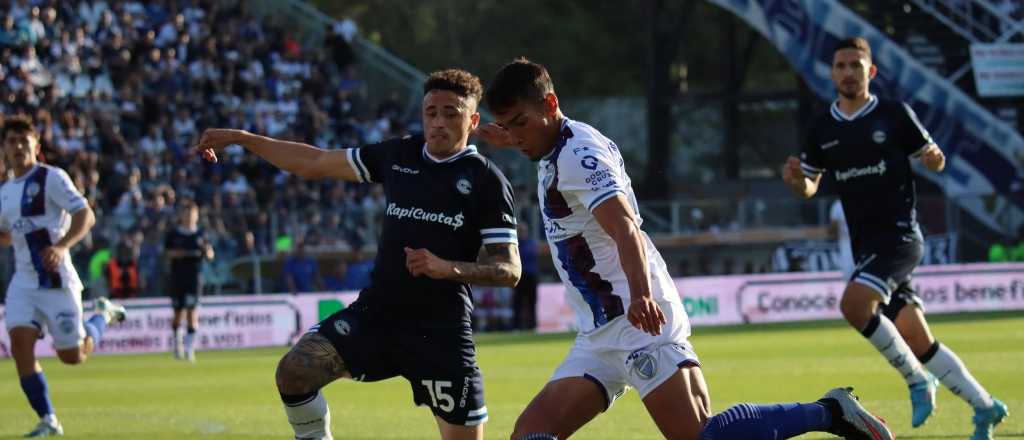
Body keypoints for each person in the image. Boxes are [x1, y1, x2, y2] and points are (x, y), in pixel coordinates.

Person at [477, 58, 892, 440]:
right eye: (507, 127)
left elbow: (624, 226)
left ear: (550, 103)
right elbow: (538, 142)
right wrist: (510, 135)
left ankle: (829, 412)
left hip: (638, 319)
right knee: (530, 433)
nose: (515, 135)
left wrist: (641, 293)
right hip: (600, 333)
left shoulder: (577, 156)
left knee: (699, 436)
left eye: (519, 124)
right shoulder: (557, 143)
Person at [196, 69, 521, 440]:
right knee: (296, 369)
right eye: (431, 112)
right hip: (378, 315)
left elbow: (509, 269)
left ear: (473, 120)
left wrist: (446, 268)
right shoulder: (399, 154)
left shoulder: (487, 181)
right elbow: (314, 163)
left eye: (451, 113)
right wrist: (242, 138)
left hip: (441, 331)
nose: (439, 122)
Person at [782, 37, 1008, 439]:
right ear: (833, 73)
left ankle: (919, 382)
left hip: (901, 238)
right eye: (841, 65)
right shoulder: (822, 127)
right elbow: (810, 188)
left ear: (870, 72)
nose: (848, 72)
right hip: (866, 247)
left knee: (853, 305)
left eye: (856, 65)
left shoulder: (892, 114)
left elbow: (931, 156)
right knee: (917, 337)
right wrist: (798, 181)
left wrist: (935, 159)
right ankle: (986, 407)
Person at [0, 115, 126, 437]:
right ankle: (49, 419)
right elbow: (7, 235)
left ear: (35, 147)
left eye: (22, 141)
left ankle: (103, 316)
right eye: (11, 142)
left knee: (73, 357)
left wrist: (62, 245)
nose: (16, 147)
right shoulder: (4, 192)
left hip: (57, 280)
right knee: (20, 345)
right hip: (24, 284)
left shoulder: (51, 178)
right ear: (4, 149)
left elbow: (86, 214)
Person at [164, 199, 214, 362]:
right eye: (187, 213)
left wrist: (207, 253)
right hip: (178, 277)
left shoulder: (201, 234)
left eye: (193, 214)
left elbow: (210, 254)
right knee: (178, 314)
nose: (190, 217)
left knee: (193, 313)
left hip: (194, 278)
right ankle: (177, 346)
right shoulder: (174, 234)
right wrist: (180, 254)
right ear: (182, 215)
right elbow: (167, 253)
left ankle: (190, 349)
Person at [829, 198, 854, 280]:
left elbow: (833, 229)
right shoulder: (837, 205)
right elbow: (833, 228)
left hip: (852, 243)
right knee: (848, 273)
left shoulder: (837, 205)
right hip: (846, 244)